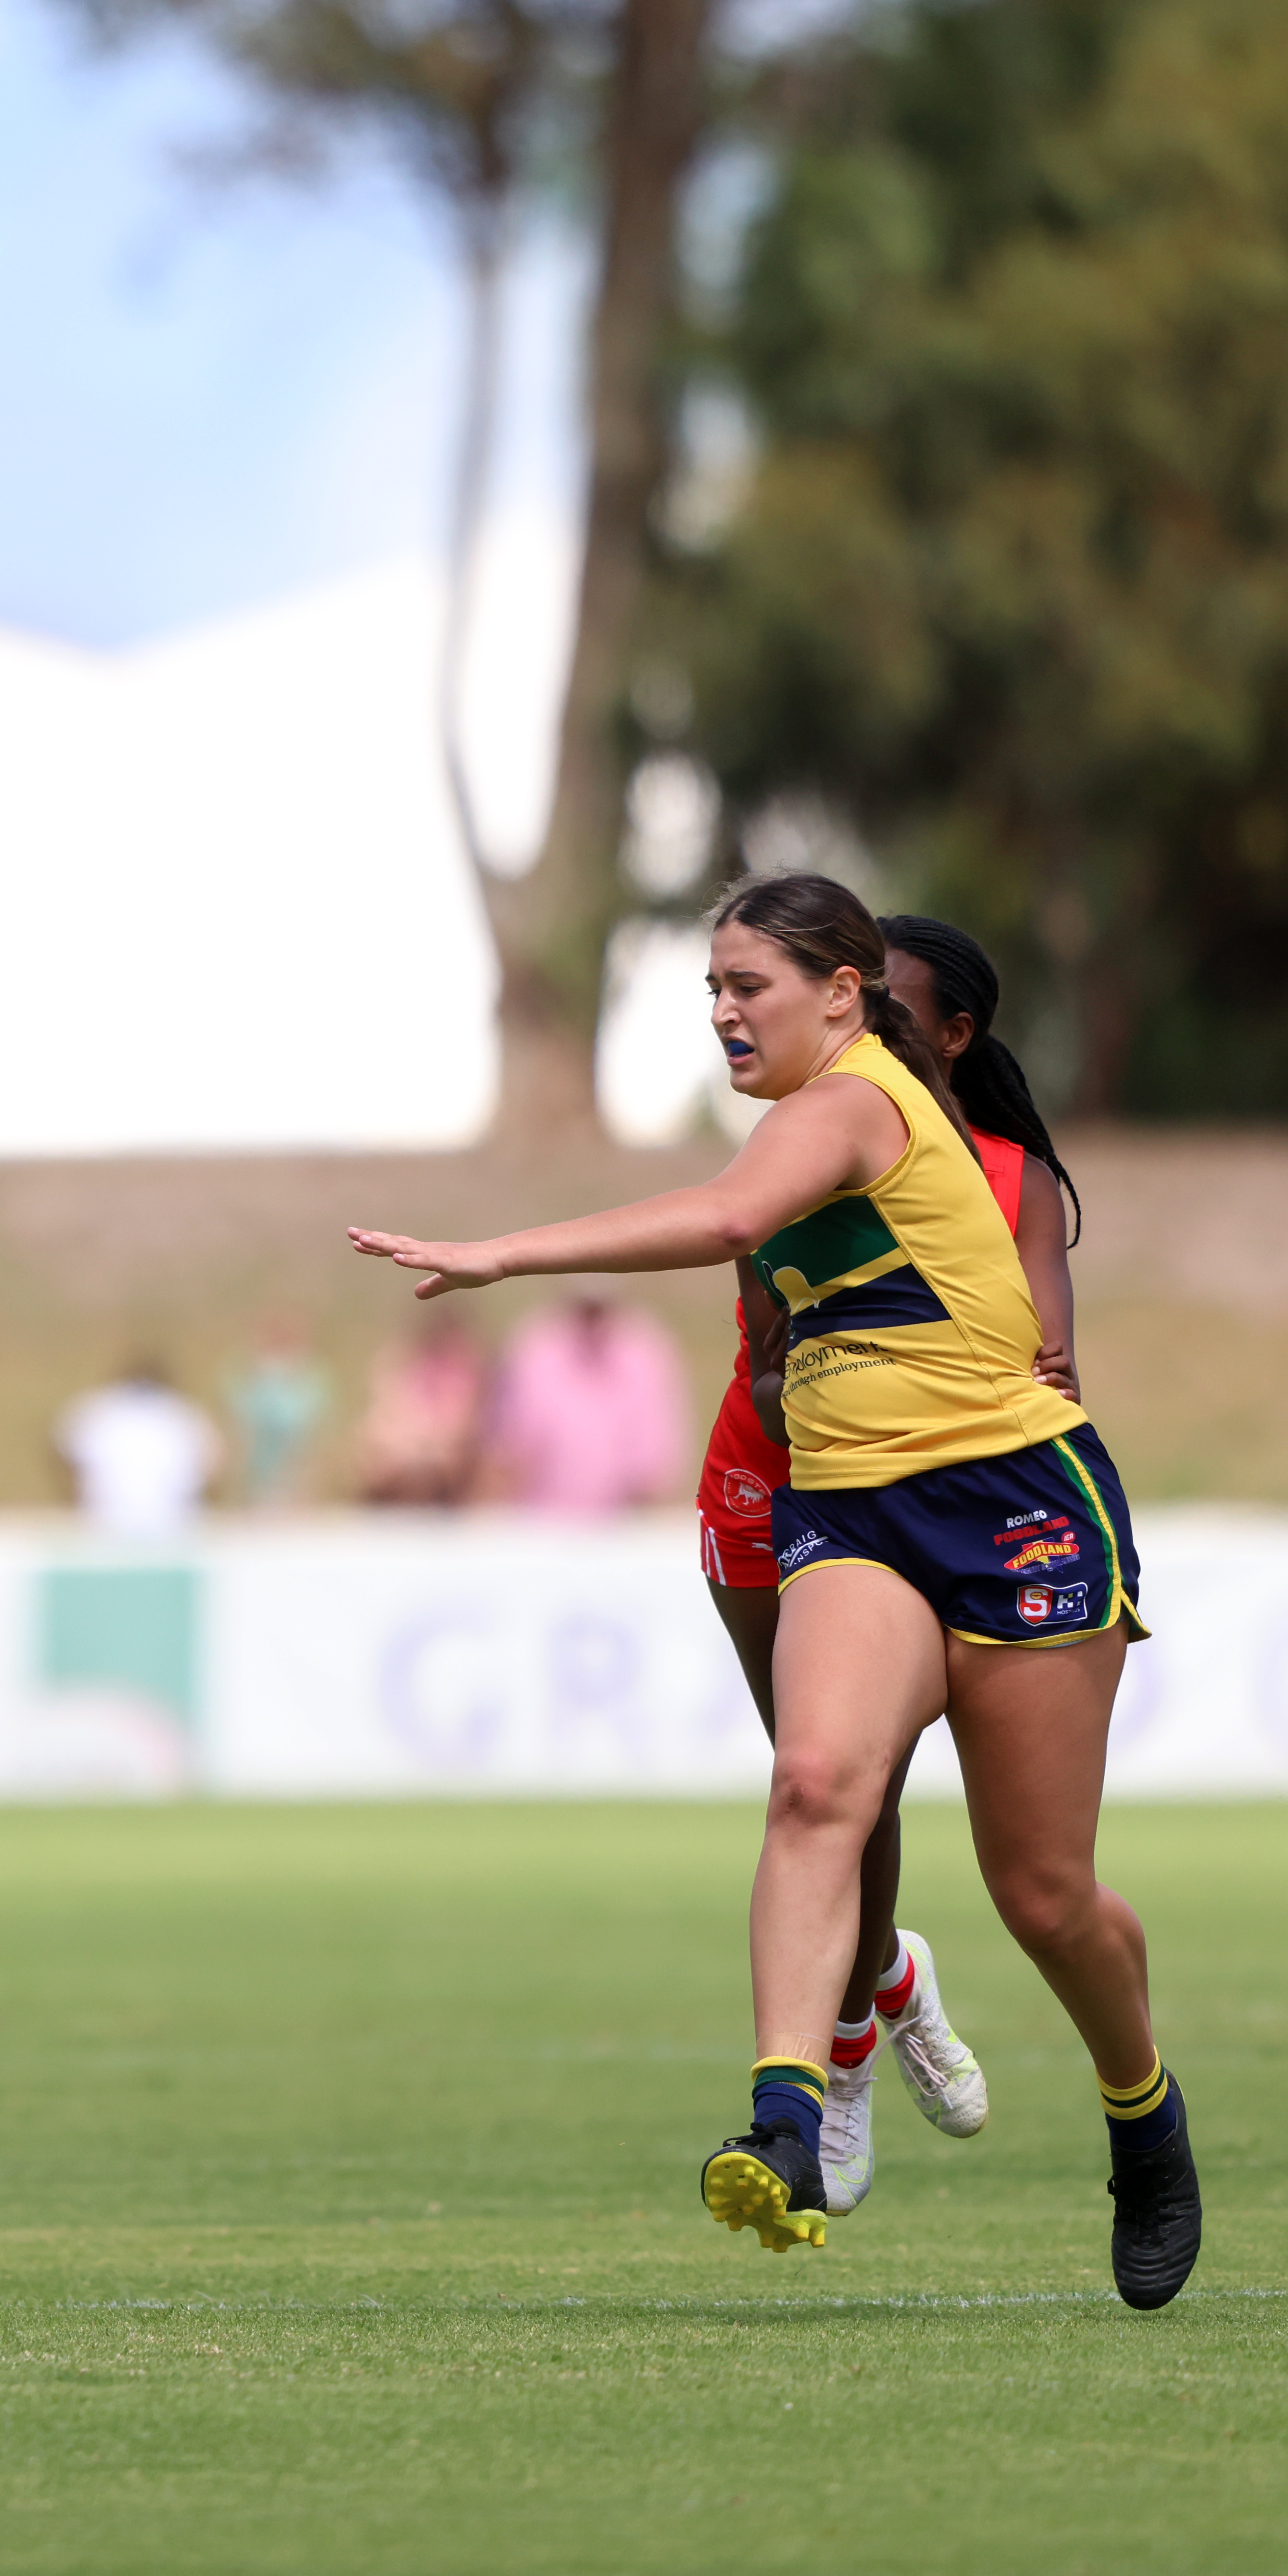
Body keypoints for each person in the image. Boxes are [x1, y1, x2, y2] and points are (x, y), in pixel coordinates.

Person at [351, 872, 1193, 2308]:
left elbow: (731, 1218)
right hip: (854, 1512)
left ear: (844, 996)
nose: (726, 1014)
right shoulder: (811, 1112)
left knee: (1045, 1896)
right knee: (816, 1784)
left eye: (750, 988)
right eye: (713, 991)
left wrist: (505, 1252)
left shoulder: (857, 1099)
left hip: (1015, 1507)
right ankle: (788, 2122)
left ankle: (1144, 2118)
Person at [686, 909, 1085, 2214]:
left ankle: (835, 2061)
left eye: (898, 1013)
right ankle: (882, 1983)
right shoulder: (792, 1131)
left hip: (927, 1480)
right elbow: (759, 1326)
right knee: (822, 1786)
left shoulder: (1000, 1173)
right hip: (780, 1464)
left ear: (939, 1030)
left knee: (855, 1777)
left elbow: (1043, 1361)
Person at [481, 1293, 686, 1516]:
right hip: (537, 1528)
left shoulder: (646, 1350)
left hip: (619, 1531)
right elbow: (505, 1459)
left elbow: (653, 1476)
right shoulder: (533, 1345)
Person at [57, 1358, 217, 1535]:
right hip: (172, 1526)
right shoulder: (186, 1414)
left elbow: (63, 1453)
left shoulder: (95, 1410)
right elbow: (214, 1465)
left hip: (106, 1524)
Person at [352, 1307, 486, 1505]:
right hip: (408, 1471)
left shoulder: (469, 1372)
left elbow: (464, 1432)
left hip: (447, 1484)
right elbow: (380, 1427)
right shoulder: (404, 1367)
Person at [223, 1314, 330, 1507]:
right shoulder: (248, 1376)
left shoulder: (311, 1381)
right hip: (257, 1479)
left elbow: (308, 1430)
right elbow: (240, 1425)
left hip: (297, 1480)